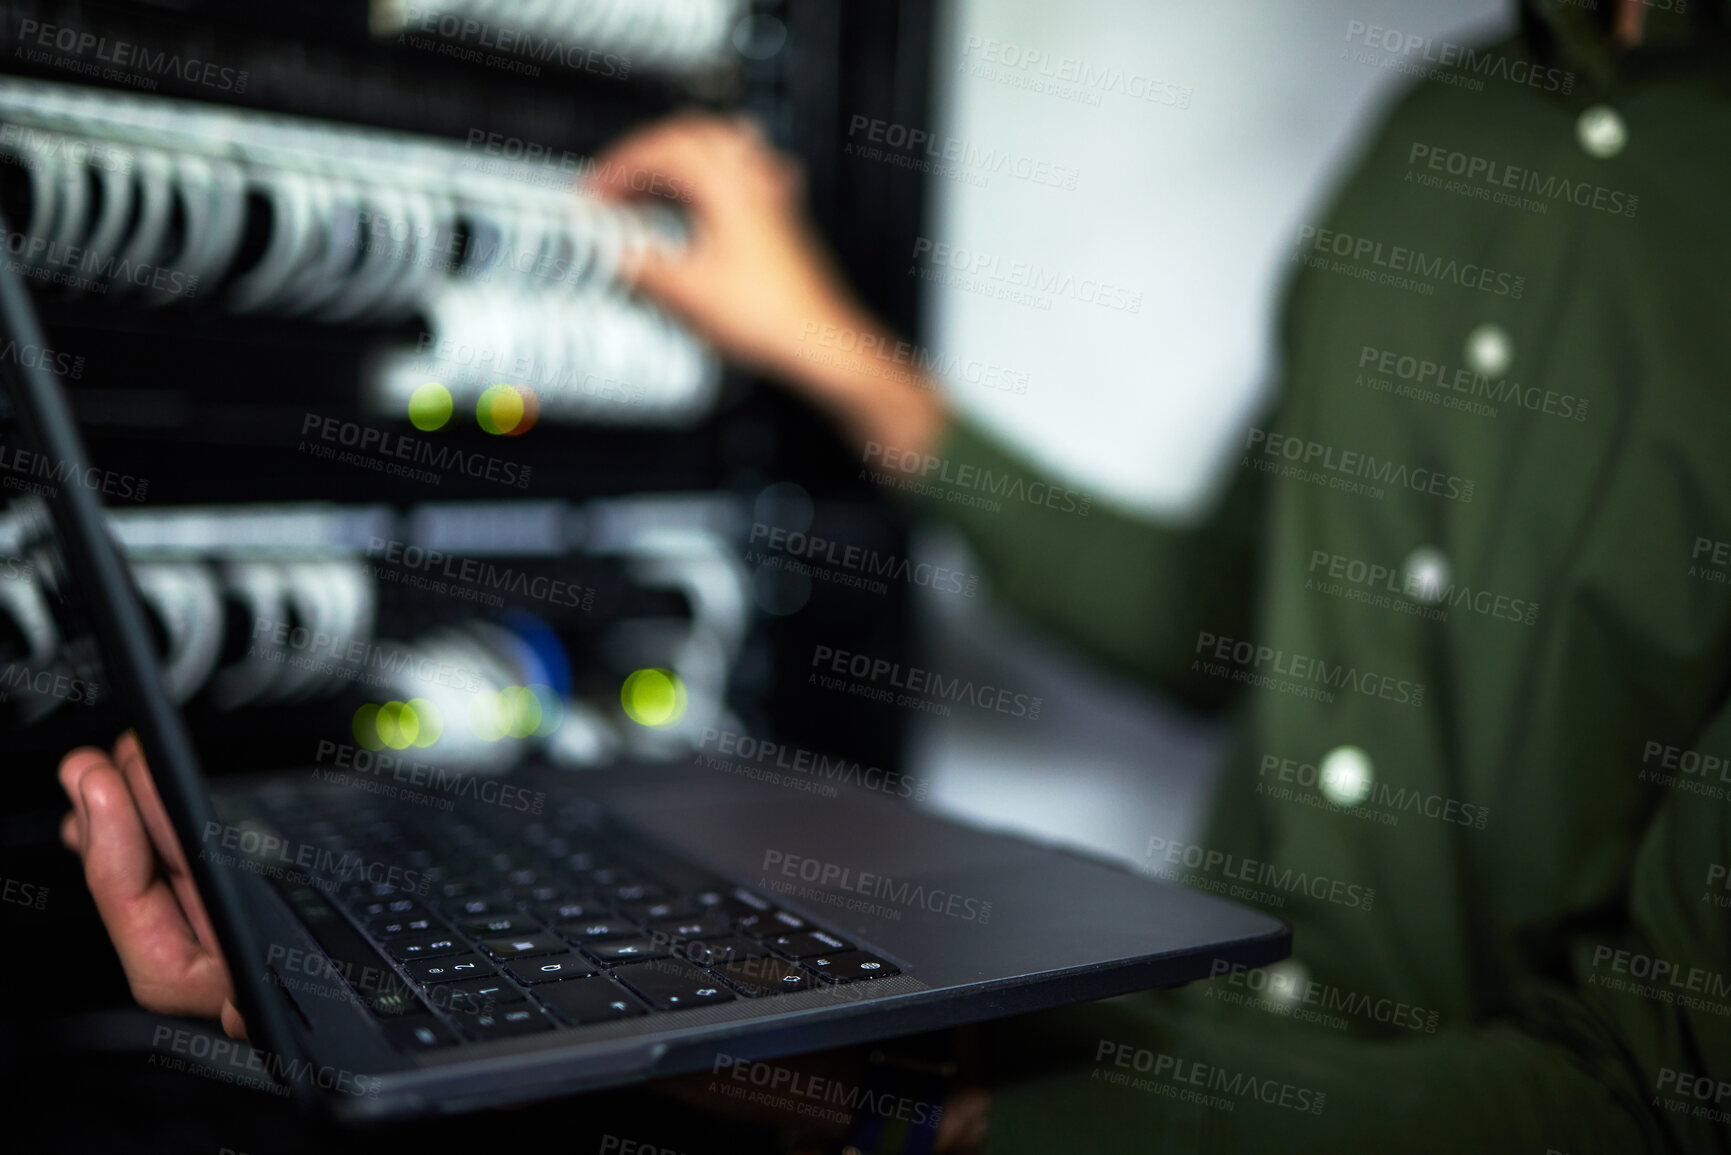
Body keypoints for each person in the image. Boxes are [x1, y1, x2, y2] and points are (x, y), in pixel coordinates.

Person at [58, 0, 1731, 1150]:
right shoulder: (1443, 123)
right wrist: (833, 354)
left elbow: (1661, 1103)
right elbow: (1236, 620)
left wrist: (922, 1097)